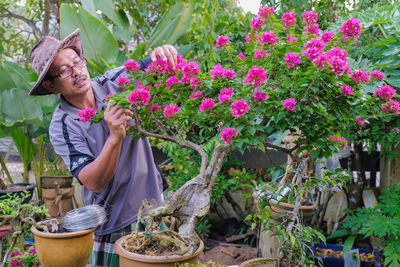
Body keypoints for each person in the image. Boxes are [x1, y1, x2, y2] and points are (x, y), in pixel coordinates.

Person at [28, 28, 178, 266]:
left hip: (153, 205)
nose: (77, 71)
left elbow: (156, 65)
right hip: (113, 222)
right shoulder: (63, 125)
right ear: (51, 85)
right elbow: (93, 181)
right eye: (64, 70)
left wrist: (165, 54)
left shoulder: (116, 82)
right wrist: (115, 138)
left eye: (77, 62)